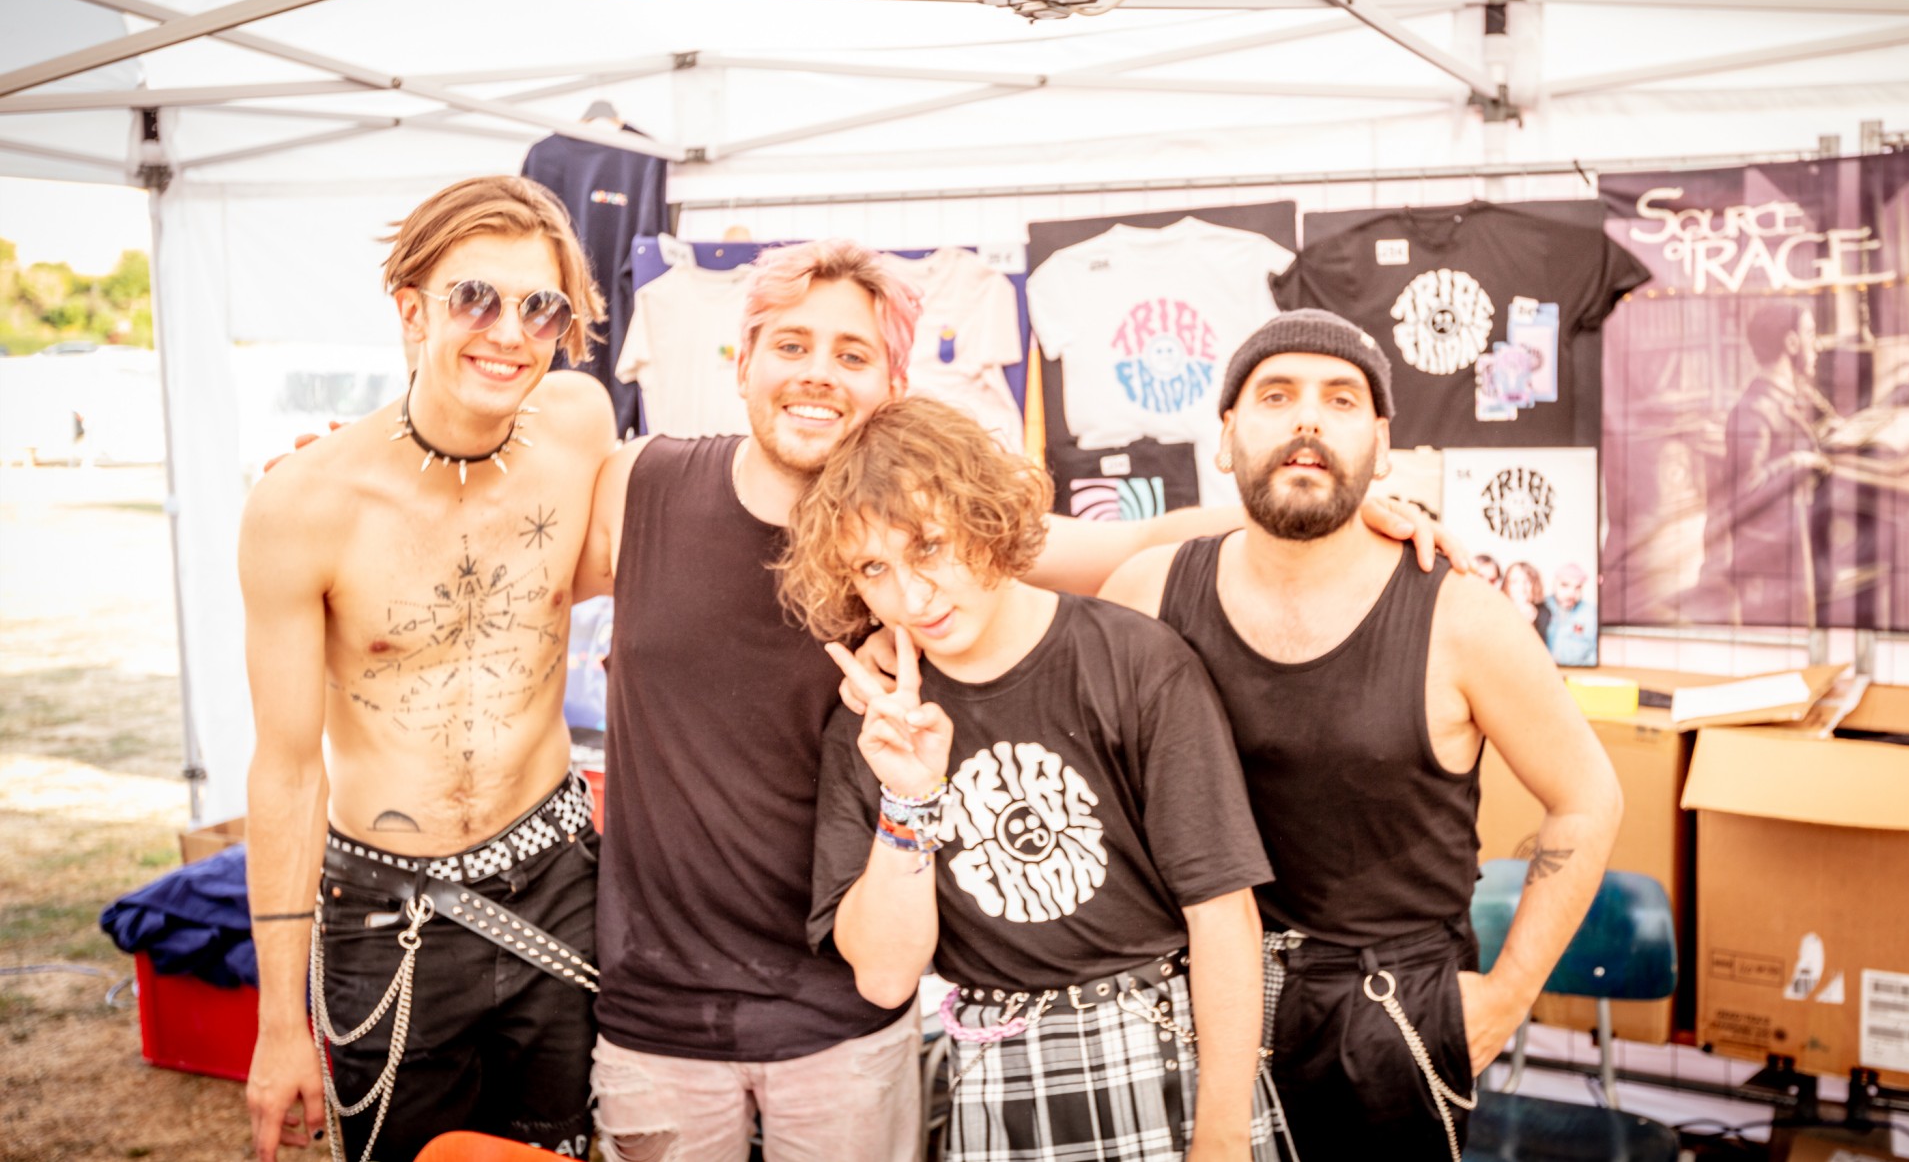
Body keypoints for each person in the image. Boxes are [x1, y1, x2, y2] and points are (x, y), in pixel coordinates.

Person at [572, 241, 1453, 1162]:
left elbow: (1141, 542)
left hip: (847, 1024)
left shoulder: (959, 553)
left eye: (852, 352)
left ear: (893, 383)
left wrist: (1342, 512)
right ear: (742, 357)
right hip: (661, 1013)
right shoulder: (640, 485)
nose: (818, 373)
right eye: (791, 344)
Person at [1094, 309, 1624, 1161]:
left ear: (1382, 447)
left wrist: (1507, 994)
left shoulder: (1463, 618)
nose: (1307, 418)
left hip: (1384, 1017)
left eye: (1341, 399)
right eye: (1276, 395)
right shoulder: (1145, 593)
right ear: (1225, 436)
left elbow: (1588, 797)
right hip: (1183, 993)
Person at [787, 397, 1287, 1162]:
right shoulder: (874, 719)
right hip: (998, 1064)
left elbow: (1223, 915)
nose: (912, 596)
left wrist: (1221, 1135)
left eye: (929, 545)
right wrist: (909, 799)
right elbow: (885, 977)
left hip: (1170, 1043)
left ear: (984, 515)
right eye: (874, 568)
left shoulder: (1135, 662)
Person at [240, 176, 617, 1162]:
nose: (509, 333)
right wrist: (279, 1023)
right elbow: (286, 771)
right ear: (410, 311)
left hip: (558, 883)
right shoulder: (302, 505)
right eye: (474, 298)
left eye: (541, 307)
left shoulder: (579, 425)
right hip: (384, 914)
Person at [1724, 302, 1837, 627]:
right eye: (1810, 334)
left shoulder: (1790, 395)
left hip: (1796, 544)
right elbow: (1746, 489)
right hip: (1774, 563)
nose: (1817, 346)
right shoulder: (1755, 410)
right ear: (1790, 343)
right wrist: (1797, 461)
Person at [1543, 563, 1598, 666]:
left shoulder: (1591, 614)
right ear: (1554, 585)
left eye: (1578, 587)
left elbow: (1594, 656)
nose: (1571, 593)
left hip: (1577, 673)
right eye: (1565, 585)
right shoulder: (1540, 608)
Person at [1502, 559, 1549, 644]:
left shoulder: (1544, 613)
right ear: (1506, 585)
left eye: (1527, 581)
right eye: (1514, 582)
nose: (1521, 588)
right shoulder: (1499, 610)